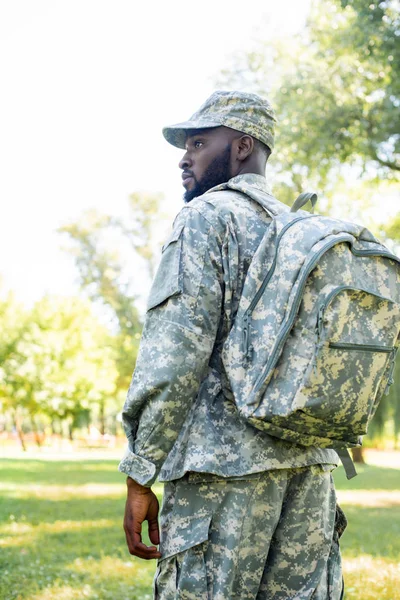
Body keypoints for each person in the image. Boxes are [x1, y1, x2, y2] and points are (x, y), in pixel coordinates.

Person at [119, 90, 345, 599]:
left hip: (222, 475)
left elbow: (173, 357)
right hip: (310, 472)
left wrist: (140, 472)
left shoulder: (206, 217)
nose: (184, 156)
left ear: (242, 146)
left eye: (199, 142)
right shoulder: (303, 230)